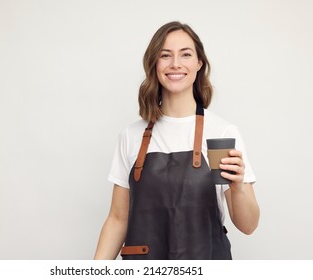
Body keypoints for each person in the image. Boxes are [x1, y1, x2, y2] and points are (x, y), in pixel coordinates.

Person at [94, 21, 259, 260]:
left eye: (186, 54)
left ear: (199, 63)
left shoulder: (220, 134)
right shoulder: (131, 136)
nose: (175, 64)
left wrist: (238, 187)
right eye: (165, 55)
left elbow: (248, 225)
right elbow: (118, 219)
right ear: (154, 63)